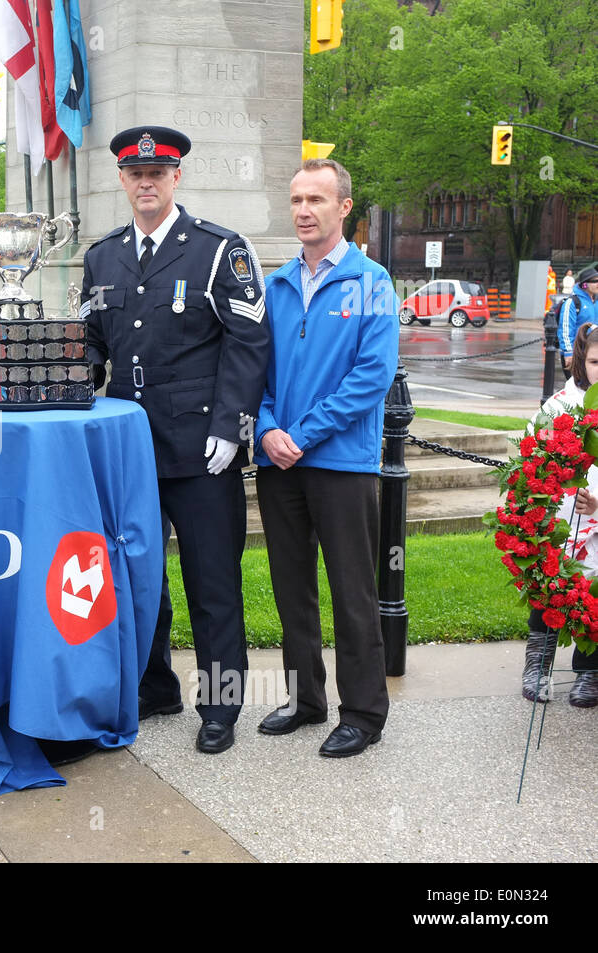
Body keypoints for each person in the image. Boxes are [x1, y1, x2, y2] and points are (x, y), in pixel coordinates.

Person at [81, 126, 270, 755]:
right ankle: (153, 684)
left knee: (211, 582)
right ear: (122, 180)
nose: (146, 184)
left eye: (157, 174)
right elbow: (92, 348)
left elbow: (248, 343)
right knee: (139, 579)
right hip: (129, 450)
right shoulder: (102, 256)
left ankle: (220, 705)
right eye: (136, 175)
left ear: (176, 178)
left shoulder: (218, 250)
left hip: (199, 452)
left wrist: (230, 426)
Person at [253, 158, 399, 758]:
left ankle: (363, 712)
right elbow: (252, 370)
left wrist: (302, 433)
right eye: (295, 200)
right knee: (291, 590)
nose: (303, 211)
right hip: (278, 463)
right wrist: (265, 430)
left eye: (316, 199)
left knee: (352, 592)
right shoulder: (277, 283)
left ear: (344, 208)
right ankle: (306, 699)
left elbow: (372, 377)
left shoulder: (373, 283)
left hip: (340, 463)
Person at [520, 322, 598, 708]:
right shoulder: (558, 407)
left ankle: (590, 670)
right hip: (560, 518)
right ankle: (538, 664)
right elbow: (535, 458)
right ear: (582, 362)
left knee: (593, 596)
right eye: (597, 361)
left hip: (596, 521)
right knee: (551, 587)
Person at [559, 266, 598, 372]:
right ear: (584, 284)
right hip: (577, 353)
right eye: (595, 281)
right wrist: (568, 352)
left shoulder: (597, 301)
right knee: (578, 387)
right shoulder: (572, 302)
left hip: (594, 353)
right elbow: (565, 329)